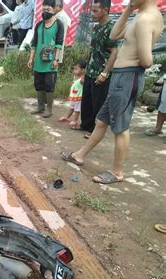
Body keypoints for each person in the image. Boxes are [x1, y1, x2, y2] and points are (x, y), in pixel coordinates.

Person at [62, 0, 164, 184]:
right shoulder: (141, 15)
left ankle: (117, 172)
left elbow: (147, 61)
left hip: (128, 76)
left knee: (121, 128)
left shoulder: (145, 20)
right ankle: (80, 155)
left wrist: (133, 60)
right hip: (120, 77)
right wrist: (128, 9)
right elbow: (115, 34)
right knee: (101, 121)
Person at [80, 0, 119, 139]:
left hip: (101, 73)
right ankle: (86, 126)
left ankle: (95, 131)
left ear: (106, 10)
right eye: (92, 10)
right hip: (91, 71)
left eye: (96, 11)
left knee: (98, 104)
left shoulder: (111, 28)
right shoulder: (96, 27)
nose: (92, 13)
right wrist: (85, 70)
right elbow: (92, 50)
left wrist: (105, 73)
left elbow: (114, 52)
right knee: (87, 102)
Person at [27, 0, 64, 118]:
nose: (45, 12)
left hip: (51, 61)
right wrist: (31, 58)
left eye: (47, 10)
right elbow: (34, 44)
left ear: (54, 10)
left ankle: (49, 108)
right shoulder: (39, 24)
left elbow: (59, 44)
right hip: (39, 61)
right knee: (38, 83)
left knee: (49, 84)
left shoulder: (58, 24)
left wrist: (56, 60)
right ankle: (40, 106)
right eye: (43, 10)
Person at [59, 60, 86, 128]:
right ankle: (67, 117)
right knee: (71, 108)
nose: (74, 70)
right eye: (74, 69)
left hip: (78, 98)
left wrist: (84, 75)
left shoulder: (82, 79)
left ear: (82, 70)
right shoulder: (76, 78)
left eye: (76, 69)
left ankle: (75, 120)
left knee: (77, 109)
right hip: (73, 97)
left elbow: (84, 82)